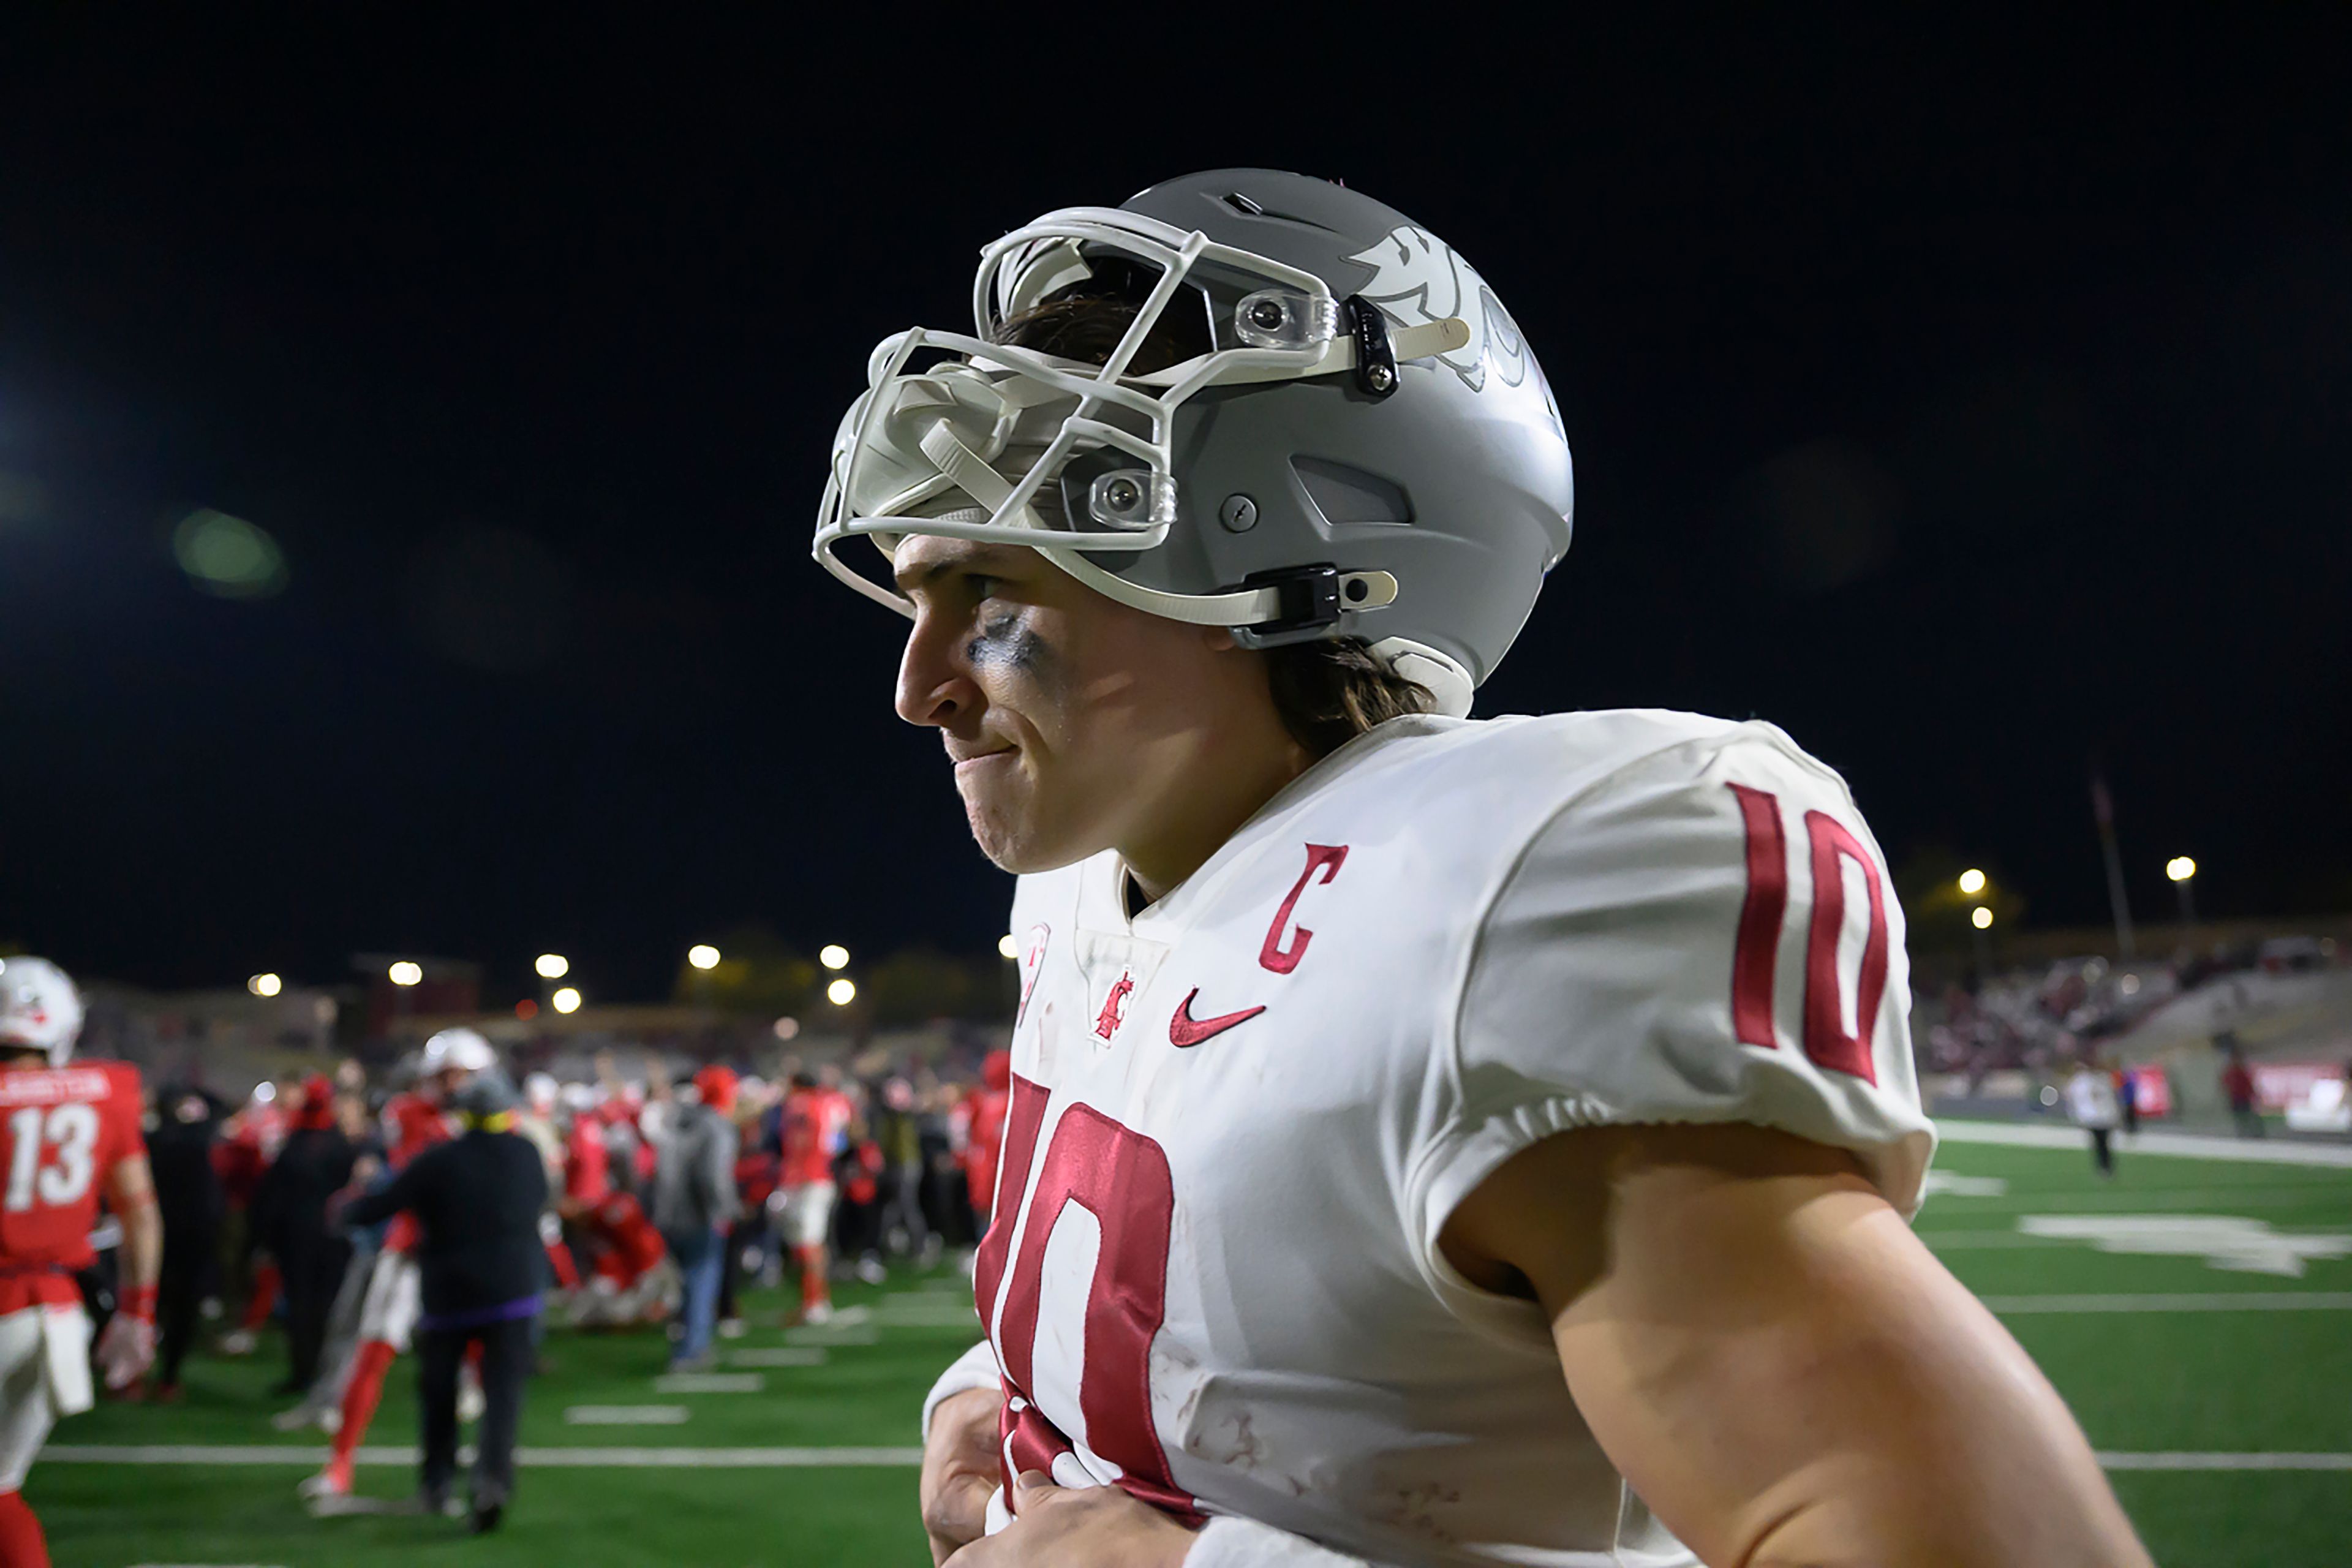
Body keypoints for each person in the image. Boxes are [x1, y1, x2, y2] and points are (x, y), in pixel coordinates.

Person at [815, 171, 2157, 1566]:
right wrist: (1012, 1386)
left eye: (997, 589)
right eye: (920, 597)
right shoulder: (1084, 884)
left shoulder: (1504, 885)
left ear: (1292, 544)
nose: (920, 687)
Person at [0, 957, 160, 1567]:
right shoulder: (104, 1091)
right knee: (3, 1488)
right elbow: (141, 1213)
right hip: (59, 1314)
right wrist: (137, 1313)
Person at [339, 1068, 546, 1534]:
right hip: (513, 1292)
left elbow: (382, 1204)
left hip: (448, 1295)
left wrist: (343, 1209)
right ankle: (492, 1481)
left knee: (439, 1394)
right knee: (503, 1397)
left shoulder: (440, 1160)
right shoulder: (527, 1154)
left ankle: (437, 1483)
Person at [302, 1028, 488, 1501]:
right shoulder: (412, 1115)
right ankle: (340, 1462)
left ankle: (480, 1459)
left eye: (463, 1075)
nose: (455, 1085)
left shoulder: (489, 1120)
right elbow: (423, 1175)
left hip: (468, 1255)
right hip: (411, 1251)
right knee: (373, 1354)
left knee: (486, 1361)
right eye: (447, 1075)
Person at [250, 1074, 356, 1395]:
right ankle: (317, 1374)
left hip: (301, 1238)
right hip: (329, 1238)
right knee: (321, 1308)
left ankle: (306, 1373)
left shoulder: (296, 1144)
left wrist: (264, 1238)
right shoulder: (338, 1145)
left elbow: (272, 1195)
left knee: (304, 1308)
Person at [650, 1064, 739, 1371]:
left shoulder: (676, 1118)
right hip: (699, 1215)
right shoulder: (715, 1125)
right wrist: (725, 1209)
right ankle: (691, 1350)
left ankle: (682, 1343)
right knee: (701, 1282)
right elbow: (713, 1177)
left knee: (682, 1285)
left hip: (669, 1214)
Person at [145, 1082, 227, 1399]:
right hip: (180, 1235)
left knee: (167, 1306)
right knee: (173, 1307)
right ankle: (165, 1375)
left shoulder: (163, 1139)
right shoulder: (183, 1139)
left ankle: (159, 1374)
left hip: (176, 1235)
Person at [772, 1068, 853, 1322]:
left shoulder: (800, 1105)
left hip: (806, 1180)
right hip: (822, 1177)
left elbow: (801, 1142)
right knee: (813, 1244)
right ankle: (817, 1299)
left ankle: (813, 1302)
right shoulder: (830, 1102)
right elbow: (839, 1140)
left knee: (807, 1245)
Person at [2065, 1060, 2121, 1177]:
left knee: (2102, 1143)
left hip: (2102, 1117)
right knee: (2101, 1143)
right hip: (2098, 1117)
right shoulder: (2098, 1080)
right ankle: (2105, 1167)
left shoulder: (2101, 1080)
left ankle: (2105, 1167)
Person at [2220, 1036, 2264, 1137]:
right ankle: (2244, 1134)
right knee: (2241, 1118)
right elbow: (2225, 1084)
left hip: (2242, 1098)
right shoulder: (2233, 1072)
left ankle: (2252, 1134)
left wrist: (2253, 1094)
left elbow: (2248, 1085)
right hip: (2237, 1099)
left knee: (2246, 1117)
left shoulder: (2239, 1072)